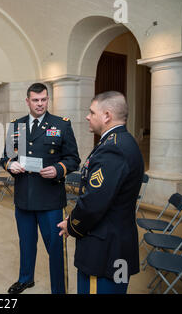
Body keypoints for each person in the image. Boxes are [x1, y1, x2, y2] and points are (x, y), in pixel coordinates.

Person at [57, 91, 144, 294]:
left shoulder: (113, 149)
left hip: (104, 249)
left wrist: (72, 225)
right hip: (116, 242)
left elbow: (94, 202)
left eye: (92, 112)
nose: (88, 116)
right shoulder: (120, 141)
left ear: (106, 116)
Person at [1, 82, 80, 294]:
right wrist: (10, 165)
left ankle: (59, 289)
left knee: (55, 248)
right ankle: (26, 279)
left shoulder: (61, 124)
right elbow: (5, 157)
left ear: (48, 99)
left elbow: (73, 159)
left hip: (50, 199)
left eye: (43, 99)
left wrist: (58, 169)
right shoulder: (16, 126)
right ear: (27, 101)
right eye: (35, 100)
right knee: (26, 243)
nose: (40, 104)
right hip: (24, 196)